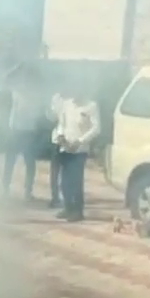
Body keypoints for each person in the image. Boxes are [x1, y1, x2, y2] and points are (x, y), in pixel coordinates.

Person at [49, 83, 101, 222]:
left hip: (79, 150)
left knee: (76, 181)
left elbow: (96, 128)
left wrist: (80, 141)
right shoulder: (66, 104)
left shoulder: (91, 106)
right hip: (65, 147)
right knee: (64, 181)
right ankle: (67, 207)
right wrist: (60, 136)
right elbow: (61, 123)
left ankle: (78, 211)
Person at [1, 64, 41, 201]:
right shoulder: (16, 91)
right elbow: (5, 78)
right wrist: (16, 68)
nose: (25, 81)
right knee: (10, 161)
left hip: (29, 131)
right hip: (15, 130)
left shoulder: (36, 93)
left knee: (30, 163)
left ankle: (28, 191)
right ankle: (5, 188)